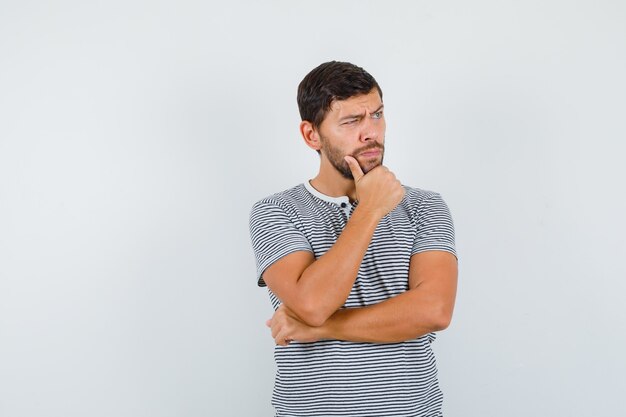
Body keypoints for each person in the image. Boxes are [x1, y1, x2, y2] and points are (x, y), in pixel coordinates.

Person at [249, 61, 458, 417]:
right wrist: (370, 209)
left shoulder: (425, 205)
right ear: (311, 134)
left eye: (376, 115)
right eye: (351, 122)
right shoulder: (276, 211)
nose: (370, 133)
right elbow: (313, 303)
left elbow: (434, 311)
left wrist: (324, 327)